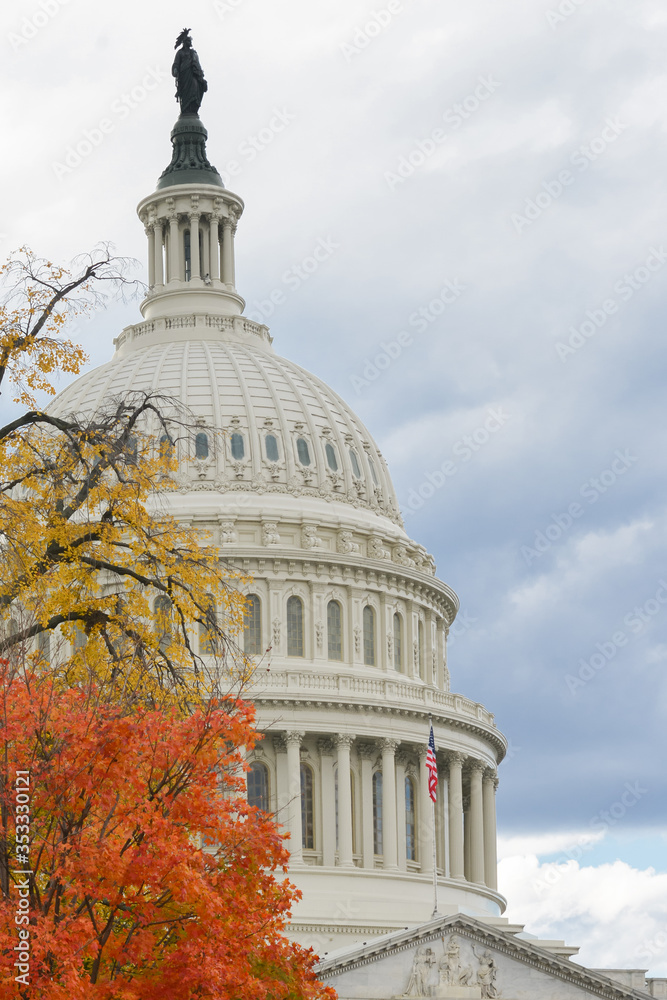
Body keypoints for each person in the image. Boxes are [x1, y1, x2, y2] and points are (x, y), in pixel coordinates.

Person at [172, 28, 208, 115]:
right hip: (184, 75)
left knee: (195, 88)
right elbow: (176, 64)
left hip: (193, 74)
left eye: (190, 41)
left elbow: (198, 65)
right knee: (185, 92)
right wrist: (175, 70)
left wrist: (201, 76)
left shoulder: (193, 53)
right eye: (188, 41)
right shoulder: (180, 53)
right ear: (184, 42)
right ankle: (186, 110)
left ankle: (193, 109)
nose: (190, 42)